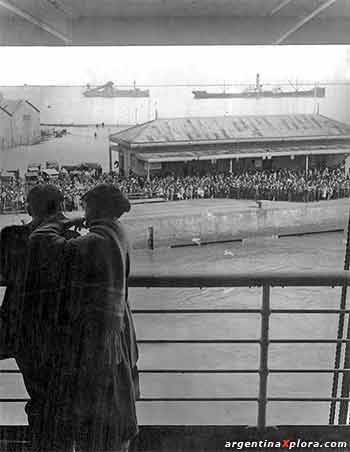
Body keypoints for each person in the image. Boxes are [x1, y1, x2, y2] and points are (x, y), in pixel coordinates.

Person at [58, 184, 139, 452]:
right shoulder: (117, 233)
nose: (84, 210)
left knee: (98, 399)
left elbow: (54, 250)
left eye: (87, 205)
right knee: (118, 395)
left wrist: (55, 225)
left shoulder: (96, 240)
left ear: (98, 207)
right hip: (118, 327)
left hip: (98, 333)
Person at [11, 184, 83, 452]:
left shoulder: (20, 238)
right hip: (66, 336)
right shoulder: (72, 239)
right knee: (64, 403)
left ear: (34, 208)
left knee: (40, 401)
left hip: (29, 336)